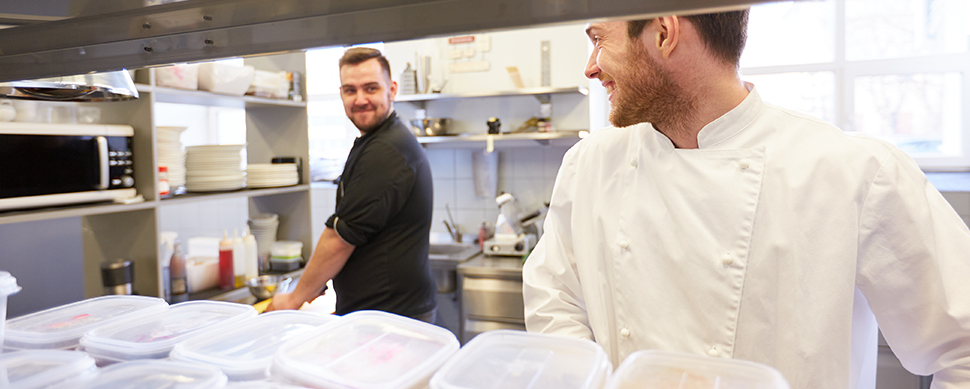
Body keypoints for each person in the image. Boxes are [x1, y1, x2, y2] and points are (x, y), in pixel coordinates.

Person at [522, 10, 970, 388]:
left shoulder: (851, 172)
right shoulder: (590, 164)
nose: (591, 67)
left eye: (598, 40)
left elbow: (963, 347)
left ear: (664, 31)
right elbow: (554, 298)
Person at [267, 48, 437, 323]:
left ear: (391, 89)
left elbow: (340, 238)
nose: (360, 99)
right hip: (381, 311)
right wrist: (319, 279)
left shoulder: (386, 150)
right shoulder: (377, 141)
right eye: (350, 90)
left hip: (391, 317)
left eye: (371, 88)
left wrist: (293, 299)